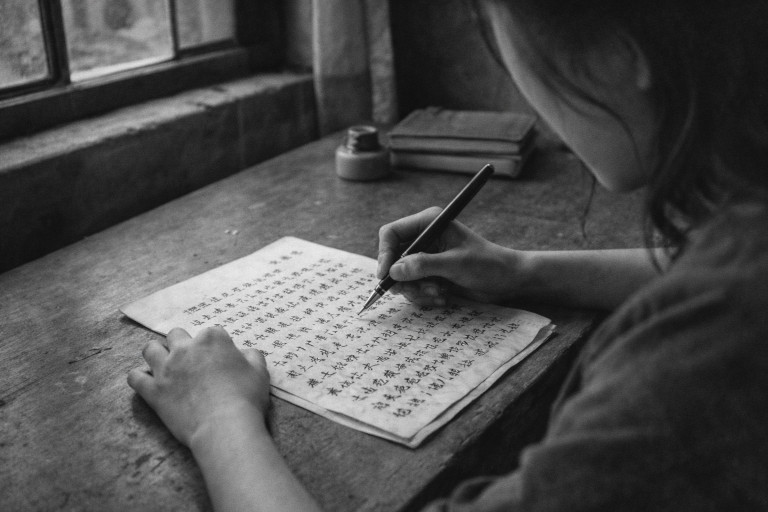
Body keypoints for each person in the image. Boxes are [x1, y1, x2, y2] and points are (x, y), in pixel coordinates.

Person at [127, 0, 768, 510]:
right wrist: (521, 271)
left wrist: (220, 421)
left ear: (617, 55)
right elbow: (711, 266)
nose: (527, 99)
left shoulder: (698, 361)